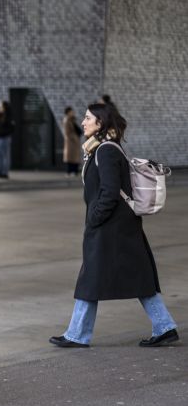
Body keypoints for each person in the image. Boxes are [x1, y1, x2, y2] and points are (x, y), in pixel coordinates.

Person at [50, 102, 178, 348]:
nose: (84, 122)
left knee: (91, 278)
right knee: (134, 276)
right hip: (120, 227)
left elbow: (109, 192)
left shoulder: (106, 150)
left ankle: (77, 335)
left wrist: (94, 218)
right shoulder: (102, 148)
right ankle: (164, 326)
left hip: (112, 228)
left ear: (101, 123)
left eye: (88, 118)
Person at [62, 106, 82, 176]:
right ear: (68, 112)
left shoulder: (72, 119)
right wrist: (74, 138)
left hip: (74, 141)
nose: (72, 113)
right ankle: (70, 171)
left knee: (75, 157)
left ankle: (74, 171)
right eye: (71, 112)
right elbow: (67, 132)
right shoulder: (66, 120)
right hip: (70, 141)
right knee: (70, 157)